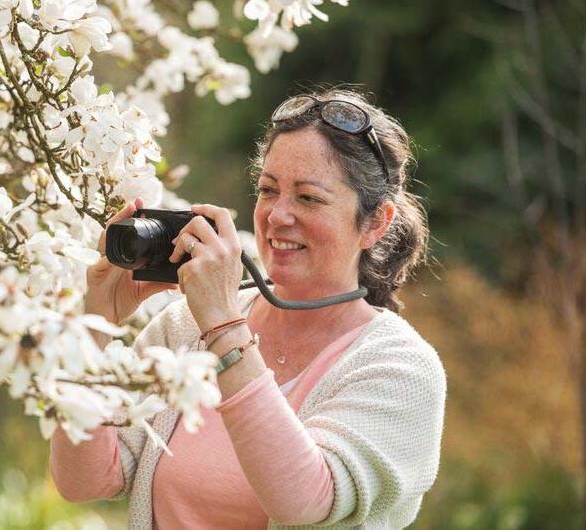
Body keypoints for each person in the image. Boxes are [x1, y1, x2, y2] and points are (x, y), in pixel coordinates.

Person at [49, 88, 447, 529]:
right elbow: (83, 482)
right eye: (268, 190)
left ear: (375, 223)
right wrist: (94, 328)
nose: (277, 216)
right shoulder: (184, 327)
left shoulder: (401, 369)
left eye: (309, 198)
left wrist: (222, 326)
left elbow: (305, 500)